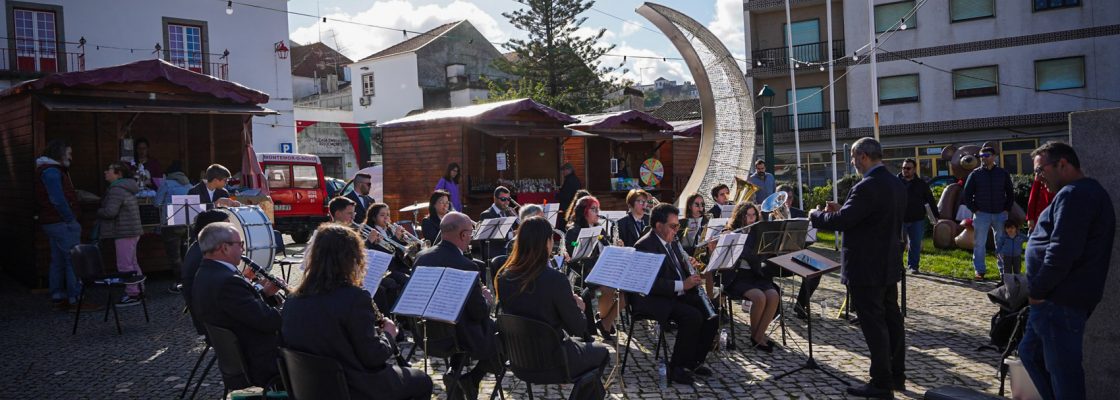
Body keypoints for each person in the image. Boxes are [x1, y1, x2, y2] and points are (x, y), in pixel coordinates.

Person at [282, 224, 432, 400]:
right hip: (353, 387)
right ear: (351, 259)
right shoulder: (354, 298)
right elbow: (373, 357)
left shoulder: (292, 300)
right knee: (422, 381)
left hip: (310, 389)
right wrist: (389, 335)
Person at [809, 137, 906, 398]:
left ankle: (881, 383)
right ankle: (897, 375)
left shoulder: (867, 186)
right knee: (892, 320)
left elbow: (843, 221)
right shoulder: (895, 183)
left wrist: (816, 215)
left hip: (866, 266)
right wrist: (844, 209)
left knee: (874, 324)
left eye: (853, 157)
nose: (852, 162)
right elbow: (871, 218)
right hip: (888, 262)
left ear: (863, 156)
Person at [1019, 142, 1115, 400]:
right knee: (1030, 354)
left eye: (1040, 170)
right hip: (1054, 300)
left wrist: (1038, 291)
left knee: (1063, 373)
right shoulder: (1078, 193)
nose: (1038, 178)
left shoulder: (1075, 194)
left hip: (1058, 300)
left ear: (1062, 164)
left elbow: (1063, 249)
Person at [494, 217, 610, 399]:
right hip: (554, 361)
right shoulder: (555, 280)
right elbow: (578, 328)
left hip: (519, 359)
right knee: (602, 353)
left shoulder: (503, 277)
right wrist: (579, 307)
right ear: (547, 243)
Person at [413, 212, 501, 399]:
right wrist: (487, 299)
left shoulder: (421, 257)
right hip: (457, 337)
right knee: (501, 331)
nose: (471, 238)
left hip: (427, 333)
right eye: (471, 233)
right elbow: (479, 313)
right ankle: (473, 377)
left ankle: (454, 371)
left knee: (463, 320)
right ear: (463, 235)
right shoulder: (466, 264)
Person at [632, 203, 719, 385]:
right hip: (656, 299)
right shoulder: (644, 245)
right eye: (673, 226)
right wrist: (683, 284)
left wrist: (689, 266)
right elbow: (650, 283)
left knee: (712, 313)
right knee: (692, 316)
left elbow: (676, 268)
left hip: (677, 294)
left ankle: (694, 361)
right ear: (658, 226)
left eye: (678, 225)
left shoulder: (672, 240)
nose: (676, 230)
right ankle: (676, 368)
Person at [191, 222, 282, 389]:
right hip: (259, 361)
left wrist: (264, 294)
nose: (243, 249)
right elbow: (269, 322)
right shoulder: (228, 281)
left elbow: (238, 311)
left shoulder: (205, 273)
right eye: (240, 244)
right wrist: (294, 308)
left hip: (239, 356)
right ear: (224, 248)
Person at [37, 140, 95, 311]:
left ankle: (58, 296)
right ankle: (75, 299)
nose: (70, 157)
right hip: (61, 222)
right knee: (73, 260)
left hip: (52, 221)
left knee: (58, 260)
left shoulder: (48, 170)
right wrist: (70, 219)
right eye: (68, 153)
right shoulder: (52, 172)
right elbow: (57, 199)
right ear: (60, 154)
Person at [722, 203, 779, 351]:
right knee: (759, 297)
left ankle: (759, 334)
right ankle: (756, 337)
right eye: (748, 215)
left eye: (754, 215)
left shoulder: (758, 232)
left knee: (773, 296)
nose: (751, 218)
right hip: (737, 276)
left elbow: (761, 256)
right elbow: (747, 255)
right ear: (740, 216)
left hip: (755, 274)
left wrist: (771, 246)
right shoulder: (731, 233)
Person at [564, 196, 621, 341]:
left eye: (598, 209)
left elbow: (607, 247)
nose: (597, 212)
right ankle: (604, 320)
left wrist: (616, 246)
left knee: (623, 290)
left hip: (602, 272)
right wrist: (579, 243)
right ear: (584, 212)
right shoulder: (574, 231)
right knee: (605, 290)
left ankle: (604, 318)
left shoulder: (599, 229)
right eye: (593, 209)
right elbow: (572, 247)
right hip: (585, 274)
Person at [961, 146, 1014, 280]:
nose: (983, 158)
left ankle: (1004, 272)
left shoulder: (1002, 173)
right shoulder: (975, 174)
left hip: (1000, 213)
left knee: (1001, 243)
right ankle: (979, 271)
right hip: (981, 214)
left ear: (994, 156)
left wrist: (1006, 209)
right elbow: (967, 194)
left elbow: (1010, 193)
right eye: (981, 156)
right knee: (979, 244)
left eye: (986, 155)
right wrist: (975, 209)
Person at [97, 161, 144, 307]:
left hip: (124, 231)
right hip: (132, 230)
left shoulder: (117, 189)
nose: (106, 172)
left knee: (124, 265)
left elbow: (110, 212)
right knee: (132, 262)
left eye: (109, 170)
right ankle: (139, 289)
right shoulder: (126, 187)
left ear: (119, 174)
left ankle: (132, 294)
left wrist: (99, 211)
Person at [181, 210, 232, 335]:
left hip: (210, 317)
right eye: (227, 227)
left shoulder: (199, 246)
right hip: (215, 324)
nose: (232, 231)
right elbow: (224, 293)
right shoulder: (206, 254)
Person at [363, 203, 414, 313]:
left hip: (396, 265)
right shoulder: (370, 232)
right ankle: (399, 313)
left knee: (413, 275)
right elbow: (383, 253)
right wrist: (396, 238)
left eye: (388, 215)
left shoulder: (389, 230)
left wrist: (402, 240)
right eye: (382, 215)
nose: (386, 218)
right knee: (404, 280)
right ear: (373, 218)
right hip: (385, 269)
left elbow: (398, 252)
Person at [156, 161, 192, 294]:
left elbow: (157, 203)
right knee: (186, 253)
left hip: (170, 223)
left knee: (174, 255)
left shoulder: (166, 184)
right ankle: (188, 281)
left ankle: (179, 283)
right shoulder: (189, 184)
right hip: (187, 222)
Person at [898, 158, 938, 274]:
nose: (905, 170)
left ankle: (913, 266)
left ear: (914, 169)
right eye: (903, 168)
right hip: (900, 219)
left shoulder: (921, 184)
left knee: (915, 244)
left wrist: (936, 215)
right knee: (899, 244)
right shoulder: (895, 183)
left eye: (908, 168)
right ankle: (898, 266)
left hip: (917, 219)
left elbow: (930, 200)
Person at [478, 186, 518, 258]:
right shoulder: (486, 214)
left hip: (510, 252)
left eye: (508, 199)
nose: (506, 202)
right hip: (495, 255)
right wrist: (513, 234)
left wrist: (516, 217)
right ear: (495, 198)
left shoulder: (508, 212)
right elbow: (493, 237)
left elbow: (516, 228)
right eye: (503, 199)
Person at [556, 162, 582, 229]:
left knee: (564, 225)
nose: (563, 172)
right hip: (573, 205)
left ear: (569, 170)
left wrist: (557, 195)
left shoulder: (569, 180)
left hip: (567, 206)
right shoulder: (575, 179)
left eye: (564, 170)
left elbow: (566, 195)